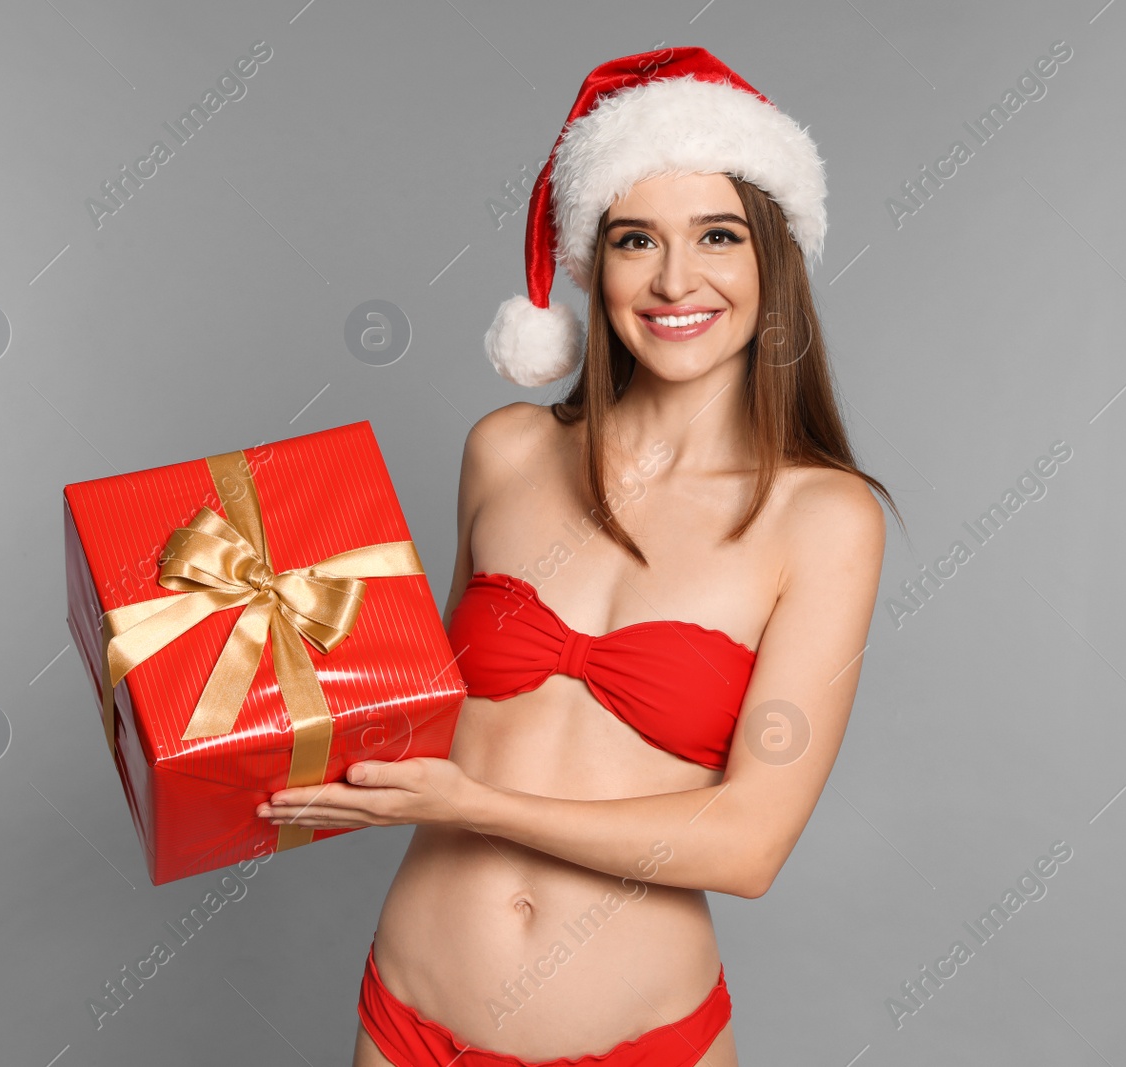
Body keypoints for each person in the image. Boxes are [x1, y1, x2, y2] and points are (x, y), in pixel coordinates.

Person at [256, 47, 896, 1066]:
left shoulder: (823, 517)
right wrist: (244, 677)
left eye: (717, 236)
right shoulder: (506, 452)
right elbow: (428, 716)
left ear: (773, 258)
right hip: (409, 1014)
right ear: (593, 264)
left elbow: (748, 843)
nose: (675, 278)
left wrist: (474, 806)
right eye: (636, 238)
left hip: (641, 1041)